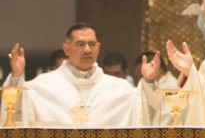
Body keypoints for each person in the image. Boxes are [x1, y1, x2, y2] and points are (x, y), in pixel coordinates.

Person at [1, 22, 169, 127]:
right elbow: (15, 111)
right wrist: (16, 76)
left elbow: (145, 111)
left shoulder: (120, 89)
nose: (87, 50)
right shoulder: (43, 87)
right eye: (80, 44)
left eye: (92, 44)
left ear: (98, 48)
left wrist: (148, 81)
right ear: (66, 49)